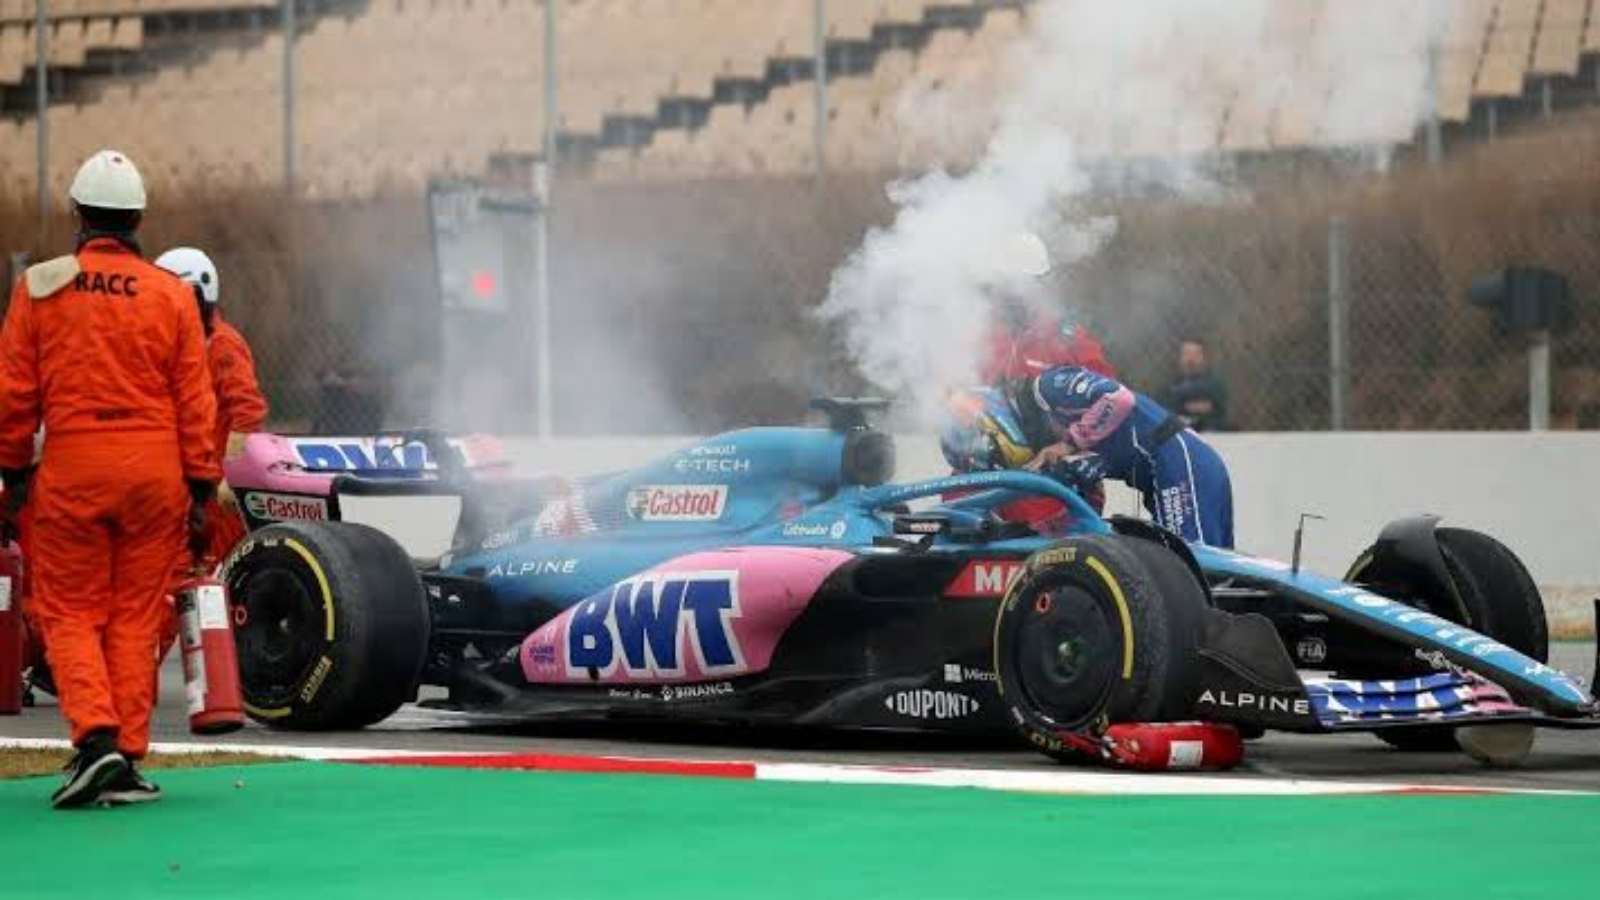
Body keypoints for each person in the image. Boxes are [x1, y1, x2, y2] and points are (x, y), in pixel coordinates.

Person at [0, 150, 220, 809]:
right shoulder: (171, 294)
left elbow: (15, 395)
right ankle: (125, 753)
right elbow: (196, 397)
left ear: (77, 215)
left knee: (69, 610)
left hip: (76, 467)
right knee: (132, 613)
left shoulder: (40, 287)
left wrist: (11, 473)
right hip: (156, 474)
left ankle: (94, 739)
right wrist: (203, 487)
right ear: (138, 218)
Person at [1018, 366, 1234, 548]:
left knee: (1191, 563)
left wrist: (1069, 442)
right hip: (1180, 467)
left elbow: (1119, 398)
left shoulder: (1049, 385)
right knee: (1213, 579)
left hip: (1180, 462)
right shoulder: (1093, 438)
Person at [155, 247, 268, 563]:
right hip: (190, 485)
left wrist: (231, 477)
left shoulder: (221, 345)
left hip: (216, 492)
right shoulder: (185, 343)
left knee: (208, 574)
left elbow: (248, 412)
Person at [1162, 337, 1229, 431]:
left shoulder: (1216, 386)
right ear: (1179, 358)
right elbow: (1166, 412)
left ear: (1204, 358)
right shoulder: (1168, 388)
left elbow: (1219, 413)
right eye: (1186, 354)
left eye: (1196, 354)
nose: (1191, 359)